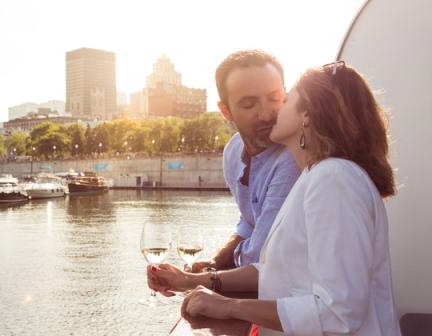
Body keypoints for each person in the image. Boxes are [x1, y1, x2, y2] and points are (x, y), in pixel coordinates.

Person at [148, 61, 400, 335]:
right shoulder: (317, 175)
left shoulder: (333, 178)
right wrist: (189, 280)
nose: (272, 111)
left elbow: (339, 312)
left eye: (284, 99)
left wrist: (229, 306)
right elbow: (272, 270)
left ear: (307, 115)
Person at [191, 50, 300, 272]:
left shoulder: (294, 156)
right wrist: (215, 263)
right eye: (249, 104)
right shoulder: (233, 150)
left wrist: (204, 277)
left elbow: (261, 255)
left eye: (274, 98)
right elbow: (250, 222)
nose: (266, 114)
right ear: (225, 111)